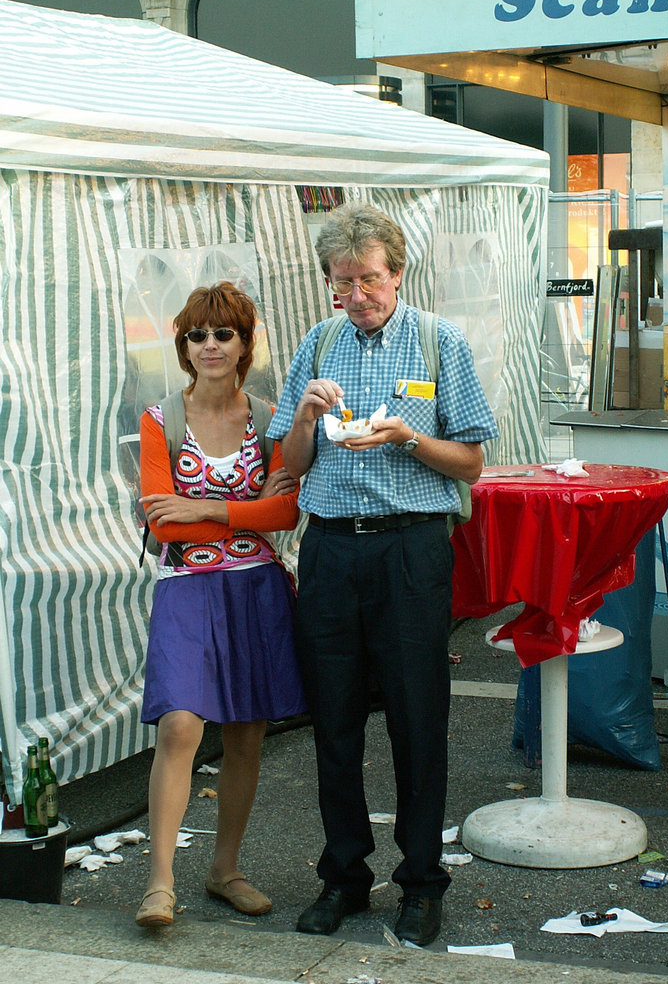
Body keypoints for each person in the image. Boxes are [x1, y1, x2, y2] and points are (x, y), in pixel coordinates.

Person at [267, 203, 498, 947]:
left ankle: (422, 882)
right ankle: (344, 877)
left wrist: (407, 436)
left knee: (416, 717)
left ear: (397, 272)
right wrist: (303, 414)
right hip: (331, 548)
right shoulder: (319, 341)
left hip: (411, 548)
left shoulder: (439, 342)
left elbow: (471, 462)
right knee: (332, 719)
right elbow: (291, 467)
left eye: (369, 279)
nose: (357, 295)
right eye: (344, 283)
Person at [136, 281, 305, 928]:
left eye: (222, 334)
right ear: (183, 346)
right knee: (180, 725)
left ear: (244, 344)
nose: (209, 345)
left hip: (256, 589)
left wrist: (204, 504)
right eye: (196, 335)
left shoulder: (268, 419)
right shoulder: (161, 420)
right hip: (185, 588)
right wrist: (246, 513)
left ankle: (224, 869)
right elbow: (163, 525)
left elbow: (286, 511)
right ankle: (159, 882)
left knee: (247, 734)